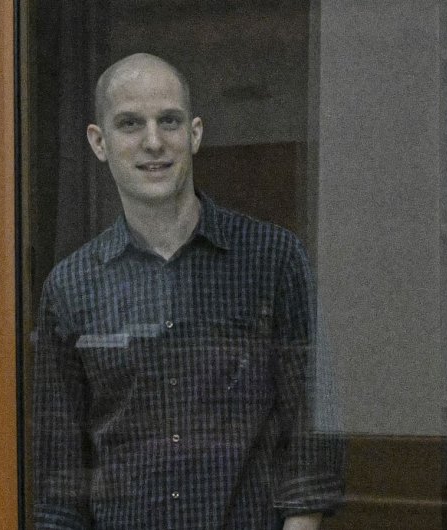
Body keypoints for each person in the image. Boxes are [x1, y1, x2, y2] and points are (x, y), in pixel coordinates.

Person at [33, 53, 343, 530]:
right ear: (100, 142)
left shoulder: (273, 259)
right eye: (131, 124)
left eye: (169, 121)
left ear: (195, 133)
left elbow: (309, 443)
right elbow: (61, 483)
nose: (153, 142)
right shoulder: (71, 287)